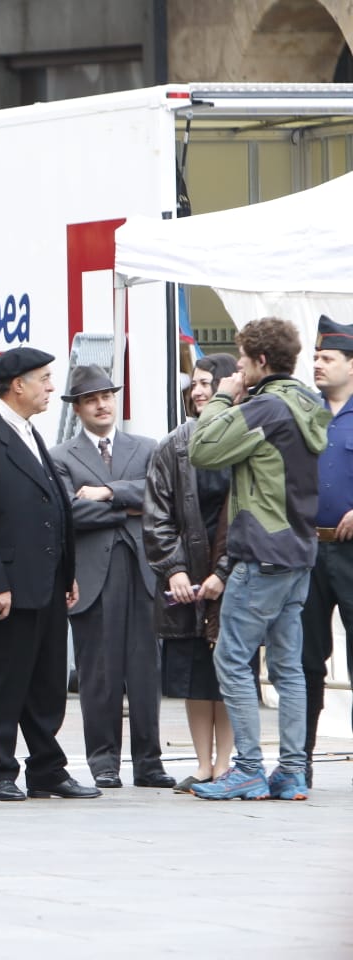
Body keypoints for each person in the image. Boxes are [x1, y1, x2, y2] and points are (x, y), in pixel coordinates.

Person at [188, 317, 330, 801]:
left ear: (261, 361)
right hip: (298, 553)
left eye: (243, 358)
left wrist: (225, 397)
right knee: (288, 668)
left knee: (232, 659)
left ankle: (247, 767)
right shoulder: (308, 402)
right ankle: (291, 771)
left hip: (261, 555)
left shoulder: (267, 408)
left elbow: (202, 449)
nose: (239, 366)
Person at [0, 346, 99, 802]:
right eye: (44, 379)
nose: (51, 387)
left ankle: (47, 769)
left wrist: (67, 571)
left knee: (46, 684)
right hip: (7, 588)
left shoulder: (28, 432)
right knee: (2, 682)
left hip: (46, 582)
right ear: (18, 385)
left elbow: (51, 507)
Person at [50, 366, 172, 789]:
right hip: (91, 574)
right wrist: (129, 505)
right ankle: (103, 760)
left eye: (107, 395)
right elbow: (68, 513)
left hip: (142, 570)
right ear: (78, 408)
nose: (102, 404)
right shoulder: (61, 455)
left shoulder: (147, 446)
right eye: (91, 399)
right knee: (97, 671)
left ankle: (149, 761)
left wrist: (107, 492)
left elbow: (159, 497)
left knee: (145, 669)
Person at [143, 352, 239, 792]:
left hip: (235, 573)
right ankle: (203, 763)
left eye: (208, 383)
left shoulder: (247, 438)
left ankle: (227, 763)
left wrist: (225, 570)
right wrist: (174, 570)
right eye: (195, 384)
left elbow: (251, 515)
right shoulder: (173, 445)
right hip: (186, 580)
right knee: (195, 675)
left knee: (231, 672)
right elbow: (156, 516)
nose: (199, 391)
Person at [301, 317, 353, 780]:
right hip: (308, 552)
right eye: (315, 357)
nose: (317, 365)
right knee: (304, 660)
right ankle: (300, 762)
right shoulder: (304, 412)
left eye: (327, 358)